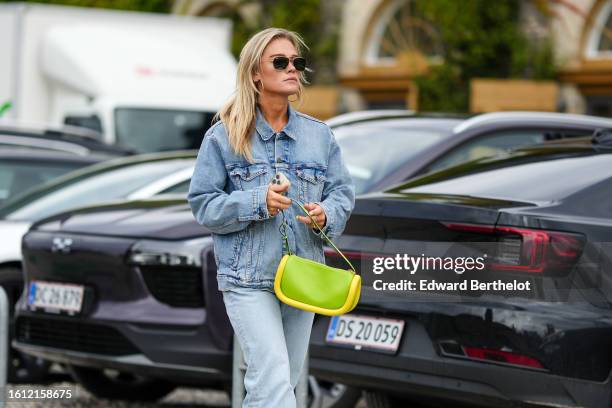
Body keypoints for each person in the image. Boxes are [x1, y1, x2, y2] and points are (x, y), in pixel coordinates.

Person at [187, 27, 355, 408]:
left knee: (281, 382)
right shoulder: (224, 136)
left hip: (303, 277)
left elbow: (343, 194)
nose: (292, 69)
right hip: (247, 279)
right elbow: (203, 204)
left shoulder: (320, 136)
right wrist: (256, 201)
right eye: (280, 62)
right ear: (255, 74)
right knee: (274, 377)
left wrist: (325, 214)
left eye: (297, 62)